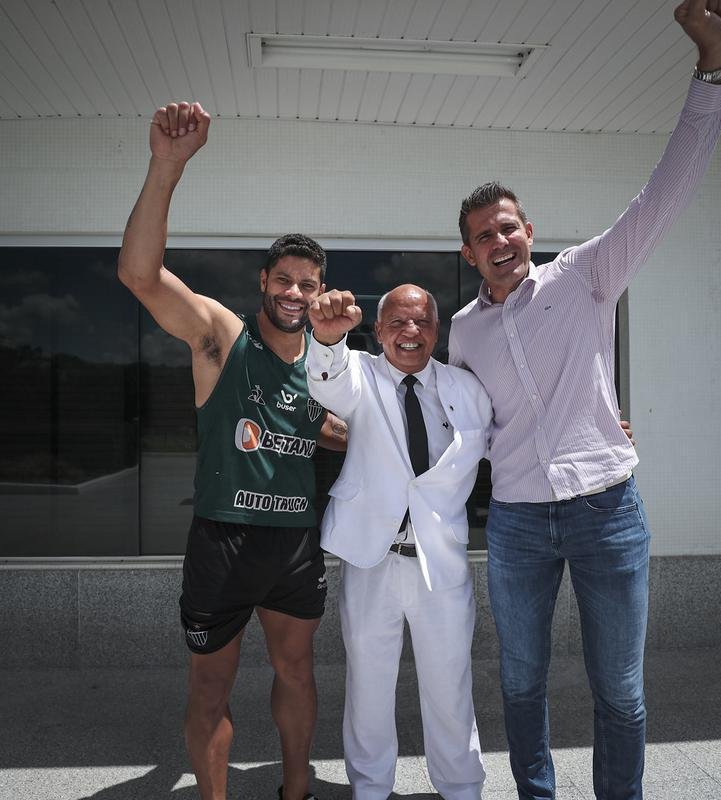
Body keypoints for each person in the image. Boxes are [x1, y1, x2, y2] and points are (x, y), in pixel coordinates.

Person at [448, 2, 721, 799]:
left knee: (621, 693)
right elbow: (461, 428)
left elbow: (664, 192)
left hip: (607, 511)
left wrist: (712, 72)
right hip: (514, 523)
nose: (498, 241)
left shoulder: (586, 274)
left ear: (527, 229)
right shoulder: (464, 333)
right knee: (520, 686)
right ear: (468, 252)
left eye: (507, 226)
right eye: (482, 235)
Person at [118, 101, 346, 800]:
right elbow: (141, 277)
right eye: (284, 279)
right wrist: (167, 165)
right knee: (211, 687)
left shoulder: (333, 359)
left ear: (320, 290)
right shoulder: (223, 336)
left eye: (309, 282)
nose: (296, 292)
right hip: (223, 542)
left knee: (298, 673)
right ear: (264, 284)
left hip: (295, 548)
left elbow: (377, 432)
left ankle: (296, 791)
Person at [304, 285, 491, 800]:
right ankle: (370, 789)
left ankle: (461, 788)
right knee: (368, 686)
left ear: (437, 330)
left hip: (442, 566)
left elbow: (513, 443)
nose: (410, 333)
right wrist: (324, 338)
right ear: (380, 329)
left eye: (422, 322)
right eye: (397, 323)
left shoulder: (466, 389)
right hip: (372, 563)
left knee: (451, 688)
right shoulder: (358, 374)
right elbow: (325, 380)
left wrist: (593, 435)